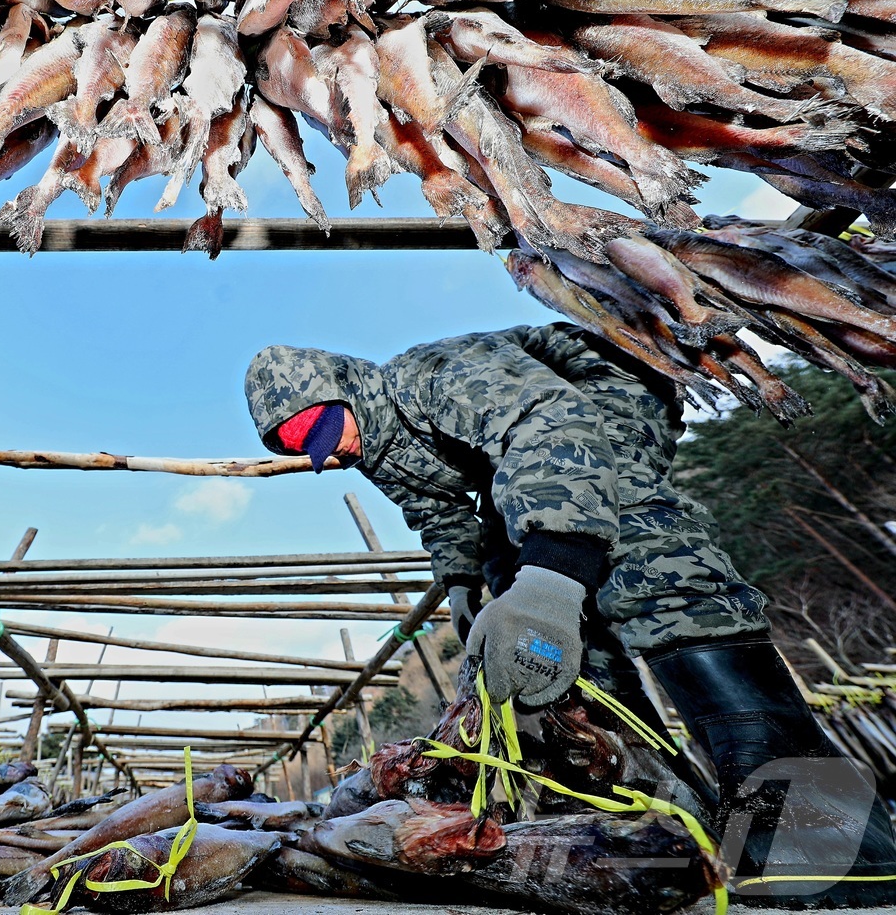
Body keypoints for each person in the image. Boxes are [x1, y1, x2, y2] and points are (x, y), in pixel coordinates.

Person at [245, 322, 896, 907]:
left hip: (599, 402)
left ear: (347, 389)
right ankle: (659, 806)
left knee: (642, 552)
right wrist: (468, 584)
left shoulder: (432, 375)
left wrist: (552, 581)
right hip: (530, 459)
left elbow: (552, 426)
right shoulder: (378, 453)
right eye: (305, 447)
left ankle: (821, 827)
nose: (328, 451)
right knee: (527, 591)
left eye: (323, 427)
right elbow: (441, 516)